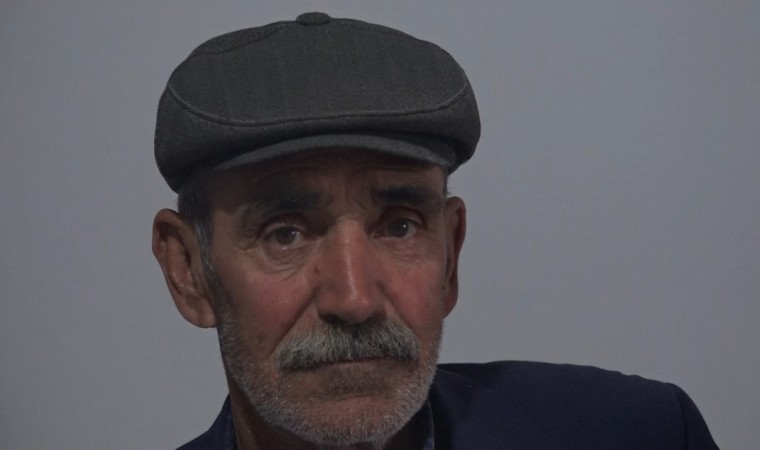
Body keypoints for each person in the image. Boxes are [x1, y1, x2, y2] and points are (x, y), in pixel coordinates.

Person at [151, 12, 718, 450]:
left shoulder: (642, 434)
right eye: (285, 235)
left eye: (400, 226)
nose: (355, 299)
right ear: (189, 272)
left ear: (450, 256)